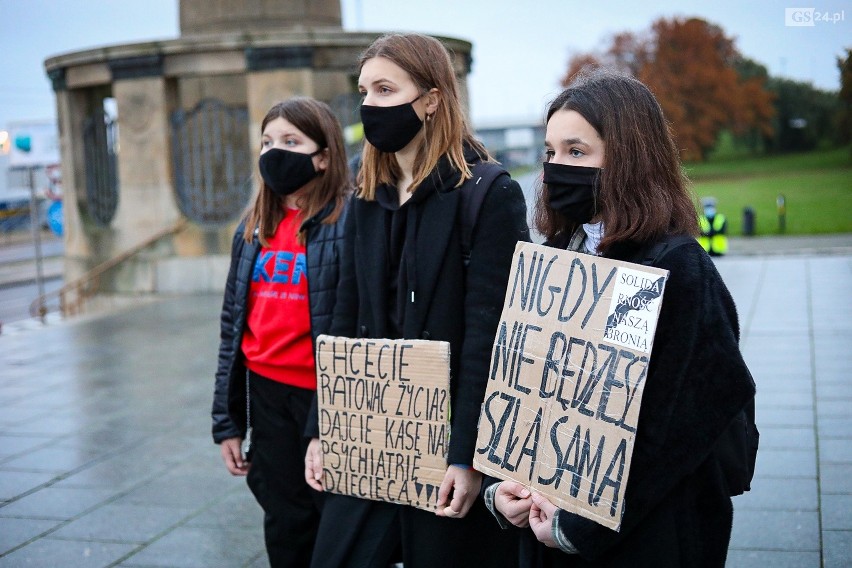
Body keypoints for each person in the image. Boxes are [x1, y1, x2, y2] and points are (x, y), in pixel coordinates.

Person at [485, 69, 756, 567]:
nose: (554, 168)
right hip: (549, 525)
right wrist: (503, 489)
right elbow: (527, 393)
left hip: (648, 539)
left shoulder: (675, 266)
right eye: (550, 152)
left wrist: (581, 526)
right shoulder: (557, 254)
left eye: (576, 151)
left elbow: (681, 426)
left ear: (629, 159)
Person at [303, 32, 530, 568]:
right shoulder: (364, 194)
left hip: (449, 436)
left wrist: (468, 456)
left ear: (430, 100)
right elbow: (343, 319)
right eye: (364, 91)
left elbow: (492, 337)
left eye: (385, 89)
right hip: (371, 430)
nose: (370, 105)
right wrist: (322, 426)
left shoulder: (488, 192)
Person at [211, 96, 350, 567]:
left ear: (324, 155)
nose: (275, 152)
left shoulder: (348, 222)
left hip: (321, 393)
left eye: (291, 141)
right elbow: (232, 328)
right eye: (268, 142)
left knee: (332, 518)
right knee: (283, 518)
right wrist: (227, 422)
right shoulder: (253, 227)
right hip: (265, 393)